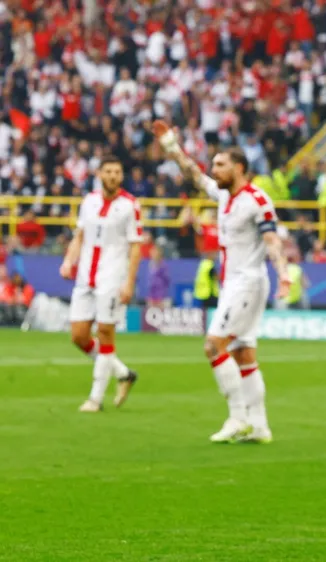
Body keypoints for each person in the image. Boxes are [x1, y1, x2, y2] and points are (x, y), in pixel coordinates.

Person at [154, 120, 291, 444]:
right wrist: (172, 146)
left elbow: (272, 240)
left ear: (239, 168)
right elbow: (193, 174)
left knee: (213, 345)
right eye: (214, 165)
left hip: (248, 282)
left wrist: (284, 274)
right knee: (244, 355)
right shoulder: (223, 194)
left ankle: (237, 416)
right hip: (234, 283)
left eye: (220, 165)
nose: (213, 170)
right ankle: (259, 426)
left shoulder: (257, 200)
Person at [59, 157, 141, 412]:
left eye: (117, 171)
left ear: (122, 176)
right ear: (100, 174)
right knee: (78, 336)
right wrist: (68, 261)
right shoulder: (89, 201)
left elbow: (136, 246)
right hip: (85, 276)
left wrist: (129, 282)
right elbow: (79, 235)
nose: (113, 176)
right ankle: (123, 373)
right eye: (108, 171)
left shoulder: (130, 205)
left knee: (105, 332)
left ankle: (95, 398)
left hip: (112, 277)